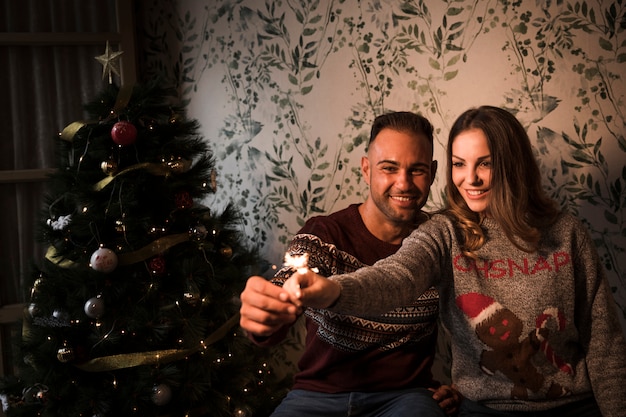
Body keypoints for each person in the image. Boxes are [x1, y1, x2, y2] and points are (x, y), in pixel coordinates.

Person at [280, 105, 626, 417]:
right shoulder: (445, 232)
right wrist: (331, 290)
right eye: (459, 164)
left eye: (485, 163)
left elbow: (604, 340)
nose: (470, 179)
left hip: (572, 406)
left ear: (512, 163)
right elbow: (396, 277)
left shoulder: (566, 233)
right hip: (484, 410)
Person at [239, 111, 461, 416]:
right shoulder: (323, 236)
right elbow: (285, 292)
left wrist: (465, 386)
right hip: (317, 396)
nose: (403, 183)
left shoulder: (440, 241)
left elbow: (479, 318)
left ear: (433, 172)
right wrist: (267, 313)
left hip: (406, 398)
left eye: (417, 170)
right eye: (389, 168)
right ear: (366, 170)